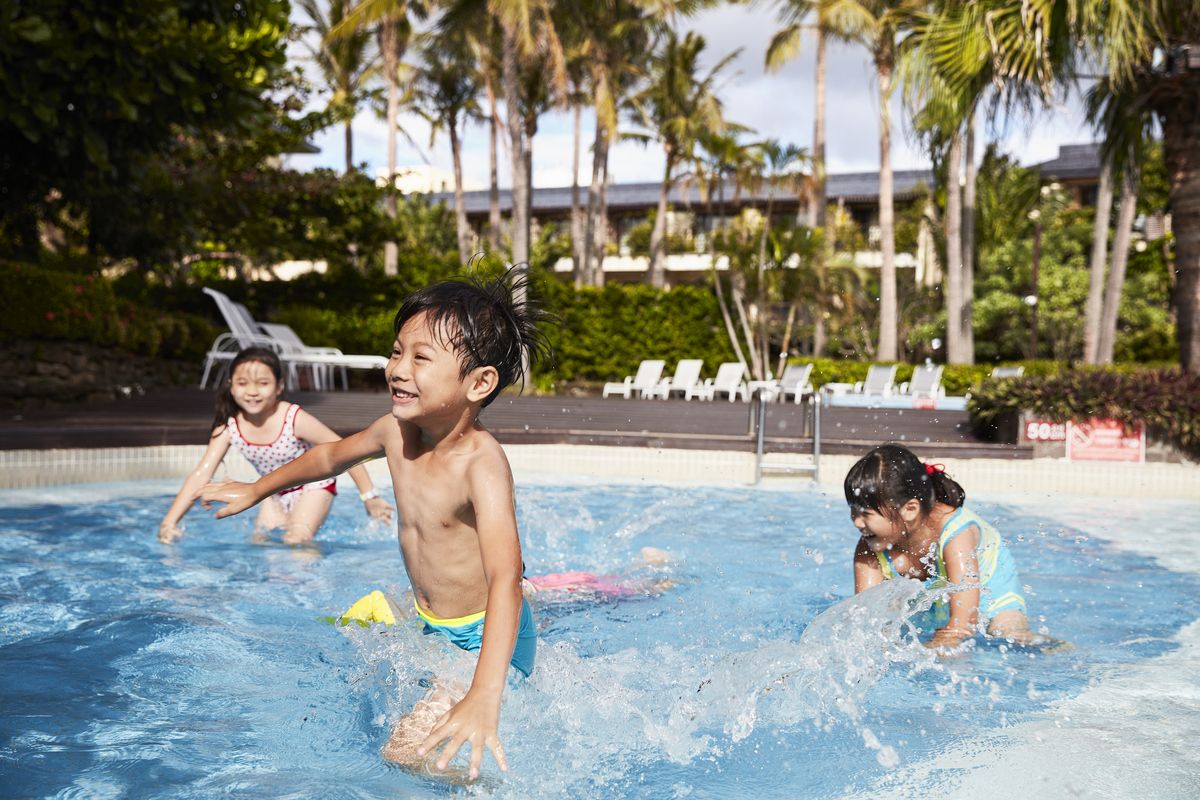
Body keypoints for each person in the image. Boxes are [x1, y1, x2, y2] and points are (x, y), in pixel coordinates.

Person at [197, 270, 551, 781]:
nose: (398, 369)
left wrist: (482, 693)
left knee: (406, 754)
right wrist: (257, 489)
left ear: (479, 382)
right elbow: (327, 458)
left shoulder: (481, 463)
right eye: (395, 352)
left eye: (421, 358)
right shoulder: (394, 431)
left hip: (486, 637)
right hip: (437, 623)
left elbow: (505, 580)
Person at [158, 347, 393, 545]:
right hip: (271, 489)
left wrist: (369, 496)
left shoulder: (292, 418)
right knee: (260, 543)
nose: (252, 391)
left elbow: (343, 450)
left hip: (312, 486)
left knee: (297, 538)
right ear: (230, 385)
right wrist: (170, 522)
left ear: (279, 386)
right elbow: (201, 474)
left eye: (262, 383)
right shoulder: (229, 426)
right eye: (242, 383)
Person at [843, 443, 1040, 650]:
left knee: (1008, 634)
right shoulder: (869, 547)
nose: (856, 522)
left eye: (866, 514)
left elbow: (964, 623)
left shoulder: (956, 536)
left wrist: (929, 653)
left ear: (909, 509)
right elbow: (864, 620)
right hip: (936, 596)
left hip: (991, 592)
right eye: (853, 511)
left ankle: (1051, 647)